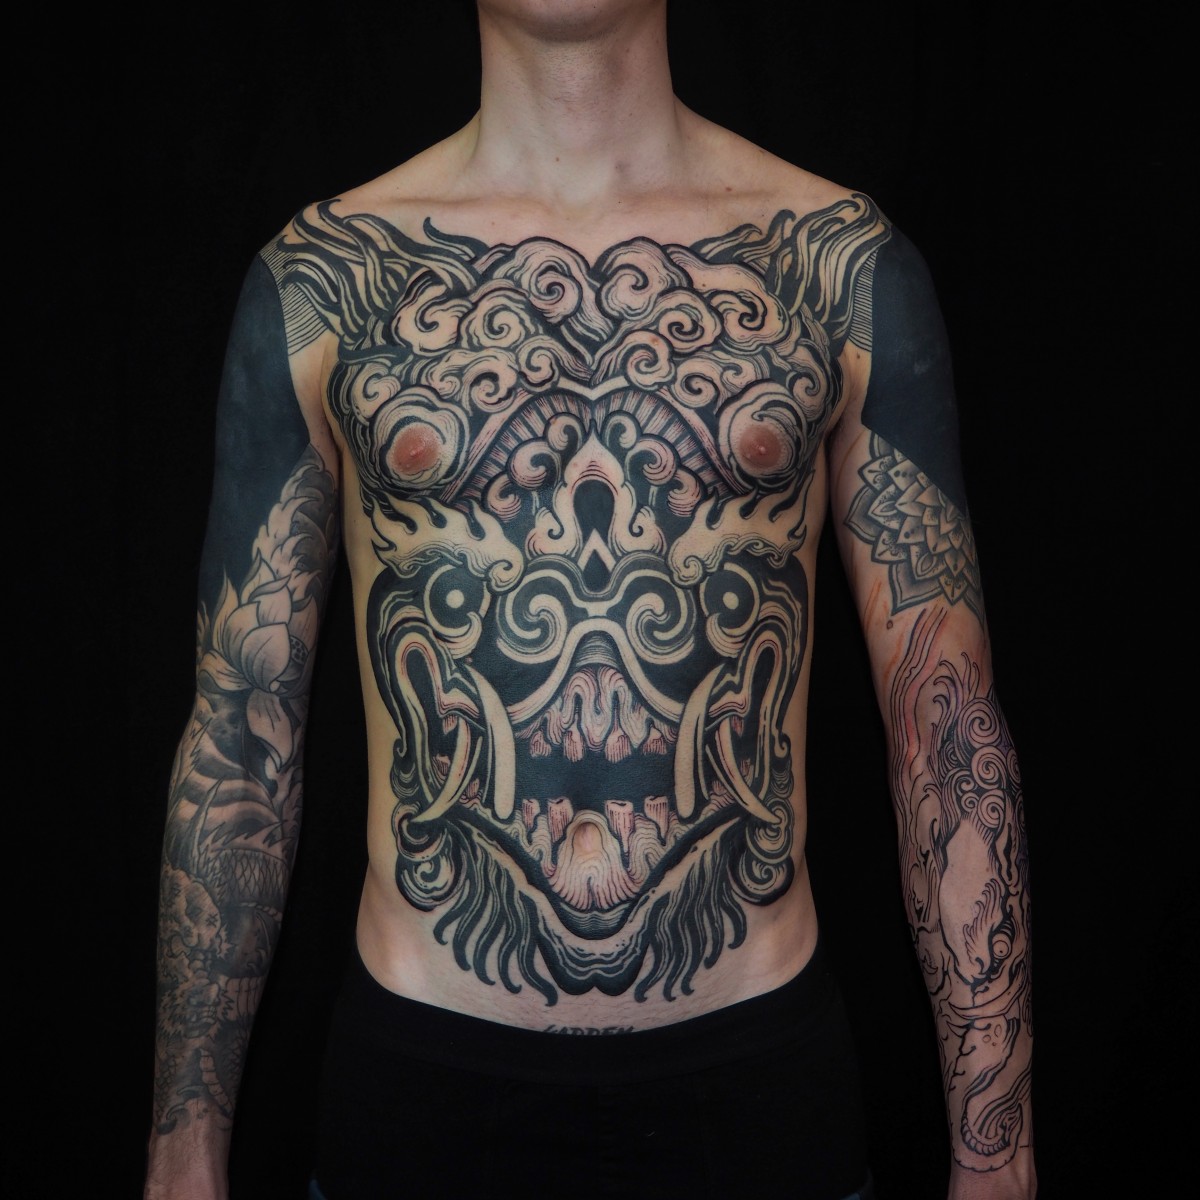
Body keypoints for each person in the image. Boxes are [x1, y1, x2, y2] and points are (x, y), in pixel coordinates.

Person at [143, 2, 1035, 1197]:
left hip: (755, 1091)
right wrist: (183, 1152)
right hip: (422, 1094)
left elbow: (945, 718)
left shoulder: (835, 263)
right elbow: (243, 735)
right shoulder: (326, 280)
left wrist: (998, 1152)